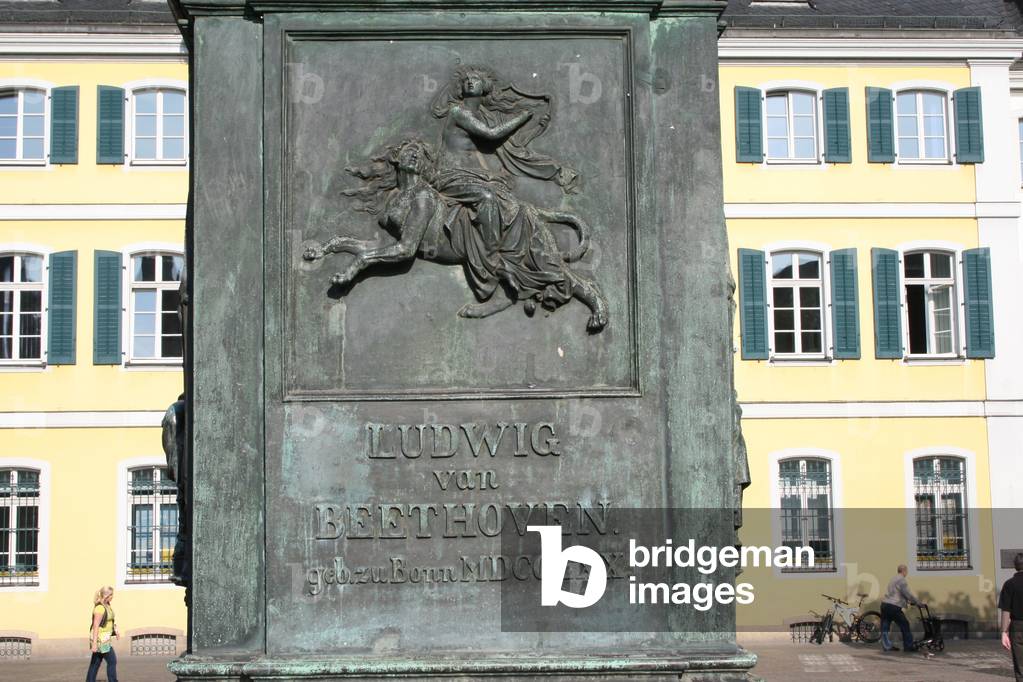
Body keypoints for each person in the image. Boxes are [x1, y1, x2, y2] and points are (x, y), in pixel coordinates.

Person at [880, 564, 920, 652]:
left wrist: (907, 601)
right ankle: (908, 646)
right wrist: (917, 602)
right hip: (893, 606)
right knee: (904, 625)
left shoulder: (893, 579)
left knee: (885, 627)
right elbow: (907, 593)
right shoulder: (902, 580)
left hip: (885, 604)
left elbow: (897, 593)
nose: (907, 573)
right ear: (904, 571)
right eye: (907, 571)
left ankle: (887, 646)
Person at [87, 585, 119, 682]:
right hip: (101, 639)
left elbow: (111, 619)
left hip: (106, 637)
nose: (112, 597)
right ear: (106, 596)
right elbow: (96, 625)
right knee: (112, 661)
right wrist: (95, 644)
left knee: (95, 663)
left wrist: (116, 630)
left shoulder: (107, 605)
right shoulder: (100, 608)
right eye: (111, 595)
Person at [999, 552, 1023, 681]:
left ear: (1015, 566)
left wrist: (1004, 632)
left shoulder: (1009, 584)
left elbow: (1006, 610)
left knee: (1020, 664)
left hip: (1017, 627)